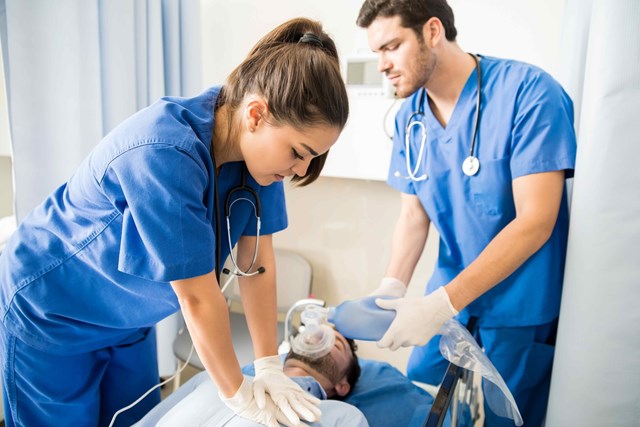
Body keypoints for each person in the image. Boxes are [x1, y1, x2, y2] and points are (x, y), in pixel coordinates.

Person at [0, 17, 348, 427]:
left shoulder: (261, 161)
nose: (298, 168)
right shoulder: (163, 150)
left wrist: (269, 363)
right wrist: (240, 395)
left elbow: (258, 263)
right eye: (298, 152)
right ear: (256, 115)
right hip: (52, 315)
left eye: (312, 158)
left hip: (128, 322)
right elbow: (198, 298)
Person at [355, 1, 577, 425]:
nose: (381, 64)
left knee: (507, 416)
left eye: (392, 46)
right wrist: (392, 287)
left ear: (432, 31)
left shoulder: (529, 93)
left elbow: (536, 221)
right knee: (421, 386)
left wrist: (441, 303)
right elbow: (413, 216)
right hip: (452, 294)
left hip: (518, 305)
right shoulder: (410, 118)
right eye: (376, 51)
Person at [136, 330, 364, 426]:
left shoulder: (342, 415)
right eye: (314, 333)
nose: (317, 336)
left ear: (342, 386)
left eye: (336, 343)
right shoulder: (212, 378)